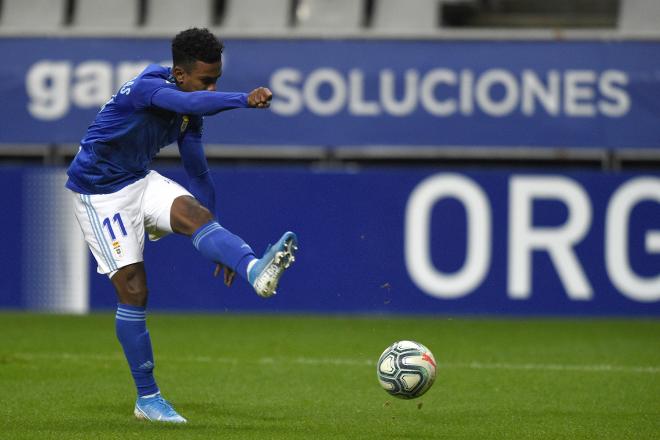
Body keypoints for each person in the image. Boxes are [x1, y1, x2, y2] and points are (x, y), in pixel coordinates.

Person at [65, 28, 298, 424]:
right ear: (178, 73)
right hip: (99, 193)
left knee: (198, 216)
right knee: (135, 290)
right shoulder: (147, 88)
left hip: (139, 178)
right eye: (207, 80)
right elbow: (186, 102)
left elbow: (199, 173)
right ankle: (148, 398)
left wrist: (225, 248)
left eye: (217, 80)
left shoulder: (188, 113)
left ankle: (255, 270)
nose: (212, 87)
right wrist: (243, 99)